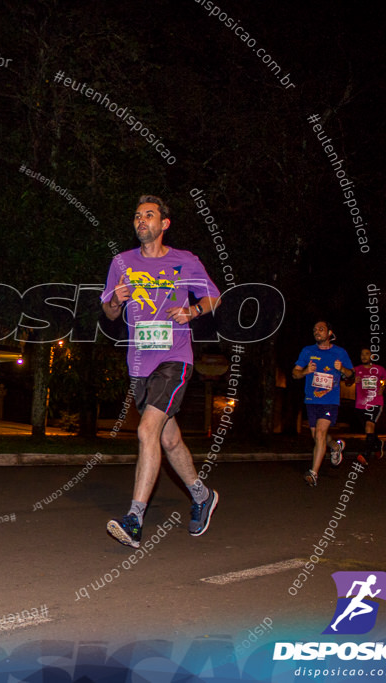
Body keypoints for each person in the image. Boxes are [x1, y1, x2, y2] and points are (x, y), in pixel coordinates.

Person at [100, 195, 221, 548]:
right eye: (137, 216)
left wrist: (192, 312)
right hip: (140, 364)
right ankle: (202, 495)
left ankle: (135, 519)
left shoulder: (185, 261)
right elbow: (108, 313)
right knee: (168, 438)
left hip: (175, 358)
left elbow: (214, 296)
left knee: (146, 430)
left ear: (164, 224)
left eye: (149, 216)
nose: (141, 221)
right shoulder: (121, 262)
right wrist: (115, 301)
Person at [293, 321, 353, 486]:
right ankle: (335, 446)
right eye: (314, 330)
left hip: (330, 401)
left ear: (329, 333)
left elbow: (351, 376)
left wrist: (342, 369)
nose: (317, 332)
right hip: (312, 400)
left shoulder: (340, 352)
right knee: (317, 436)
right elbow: (295, 373)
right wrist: (305, 371)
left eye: (321, 329)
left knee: (319, 433)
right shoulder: (308, 351)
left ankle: (313, 473)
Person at [348, 348, 386, 464]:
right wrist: (352, 380)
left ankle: (365, 456)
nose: (364, 356)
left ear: (371, 356)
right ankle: (378, 444)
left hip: (375, 402)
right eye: (362, 354)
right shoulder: (356, 369)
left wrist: (383, 387)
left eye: (367, 354)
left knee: (369, 426)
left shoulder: (378, 369)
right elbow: (347, 381)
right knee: (368, 430)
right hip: (360, 405)